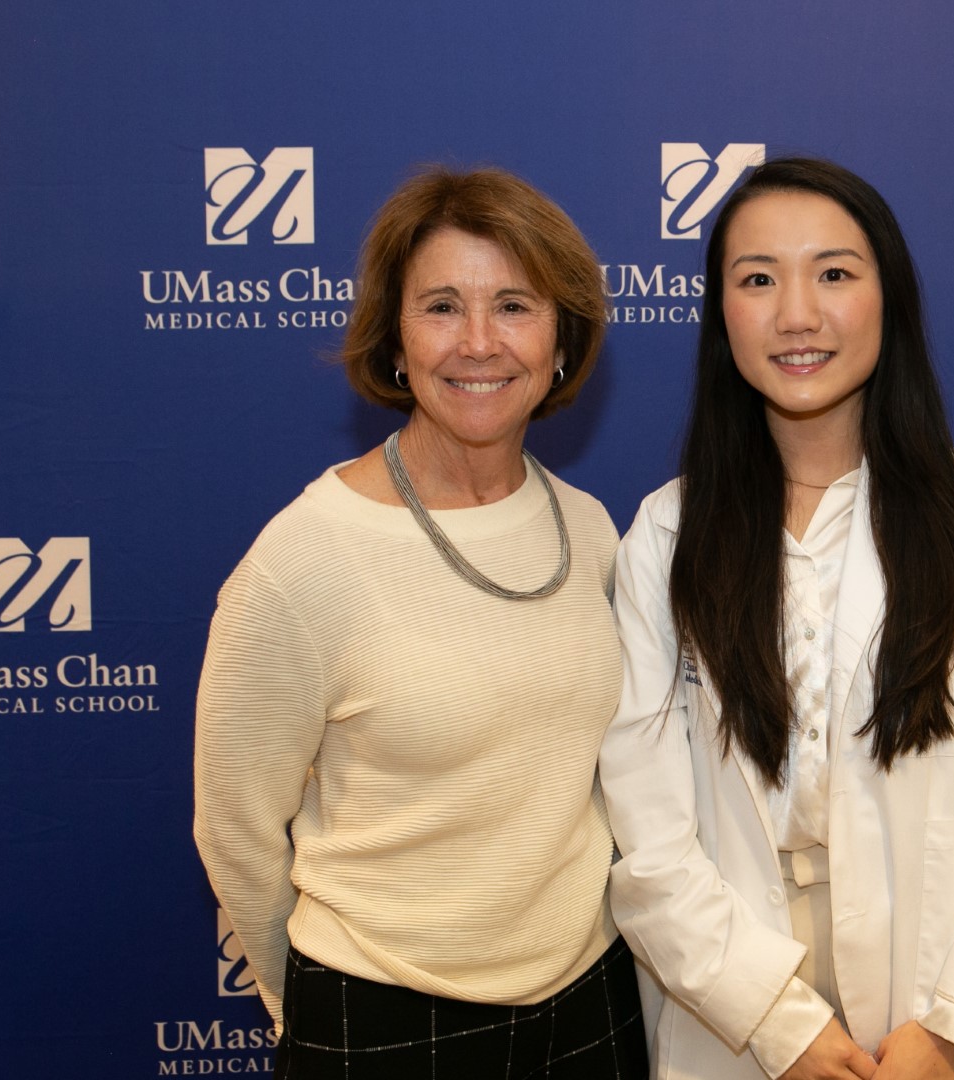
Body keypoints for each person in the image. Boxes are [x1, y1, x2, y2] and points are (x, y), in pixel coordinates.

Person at [600, 158, 954, 1080]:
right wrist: (779, 1026)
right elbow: (647, 831)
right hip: (732, 1008)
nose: (797, 315)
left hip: (932, 1001)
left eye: (833, 273)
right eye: (757, 279)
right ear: (721, 314)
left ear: (887, 297)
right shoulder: (667, 533)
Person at [195, 166, 645, 1079]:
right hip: (380, 1019)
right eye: (442, 306)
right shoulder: (303, 558)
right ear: (395, 341)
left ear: (561, 339)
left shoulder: (592, 527)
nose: (479, 342)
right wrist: (313, 1017)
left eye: (513, 305)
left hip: (594, 1004)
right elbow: (235, 830)